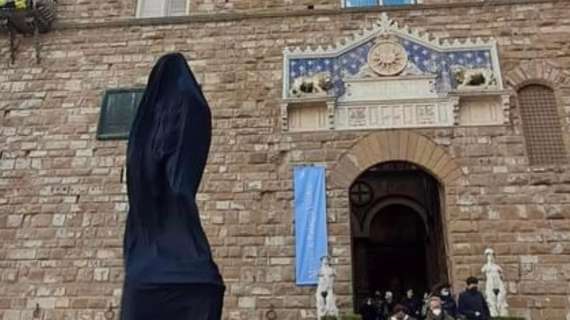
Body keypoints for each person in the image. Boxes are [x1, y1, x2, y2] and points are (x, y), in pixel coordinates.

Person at [120, 53, 224, 320]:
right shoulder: (192, 107)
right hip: (193, 272)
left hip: (148, 270)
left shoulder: (144, 132)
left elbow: (140, 170)